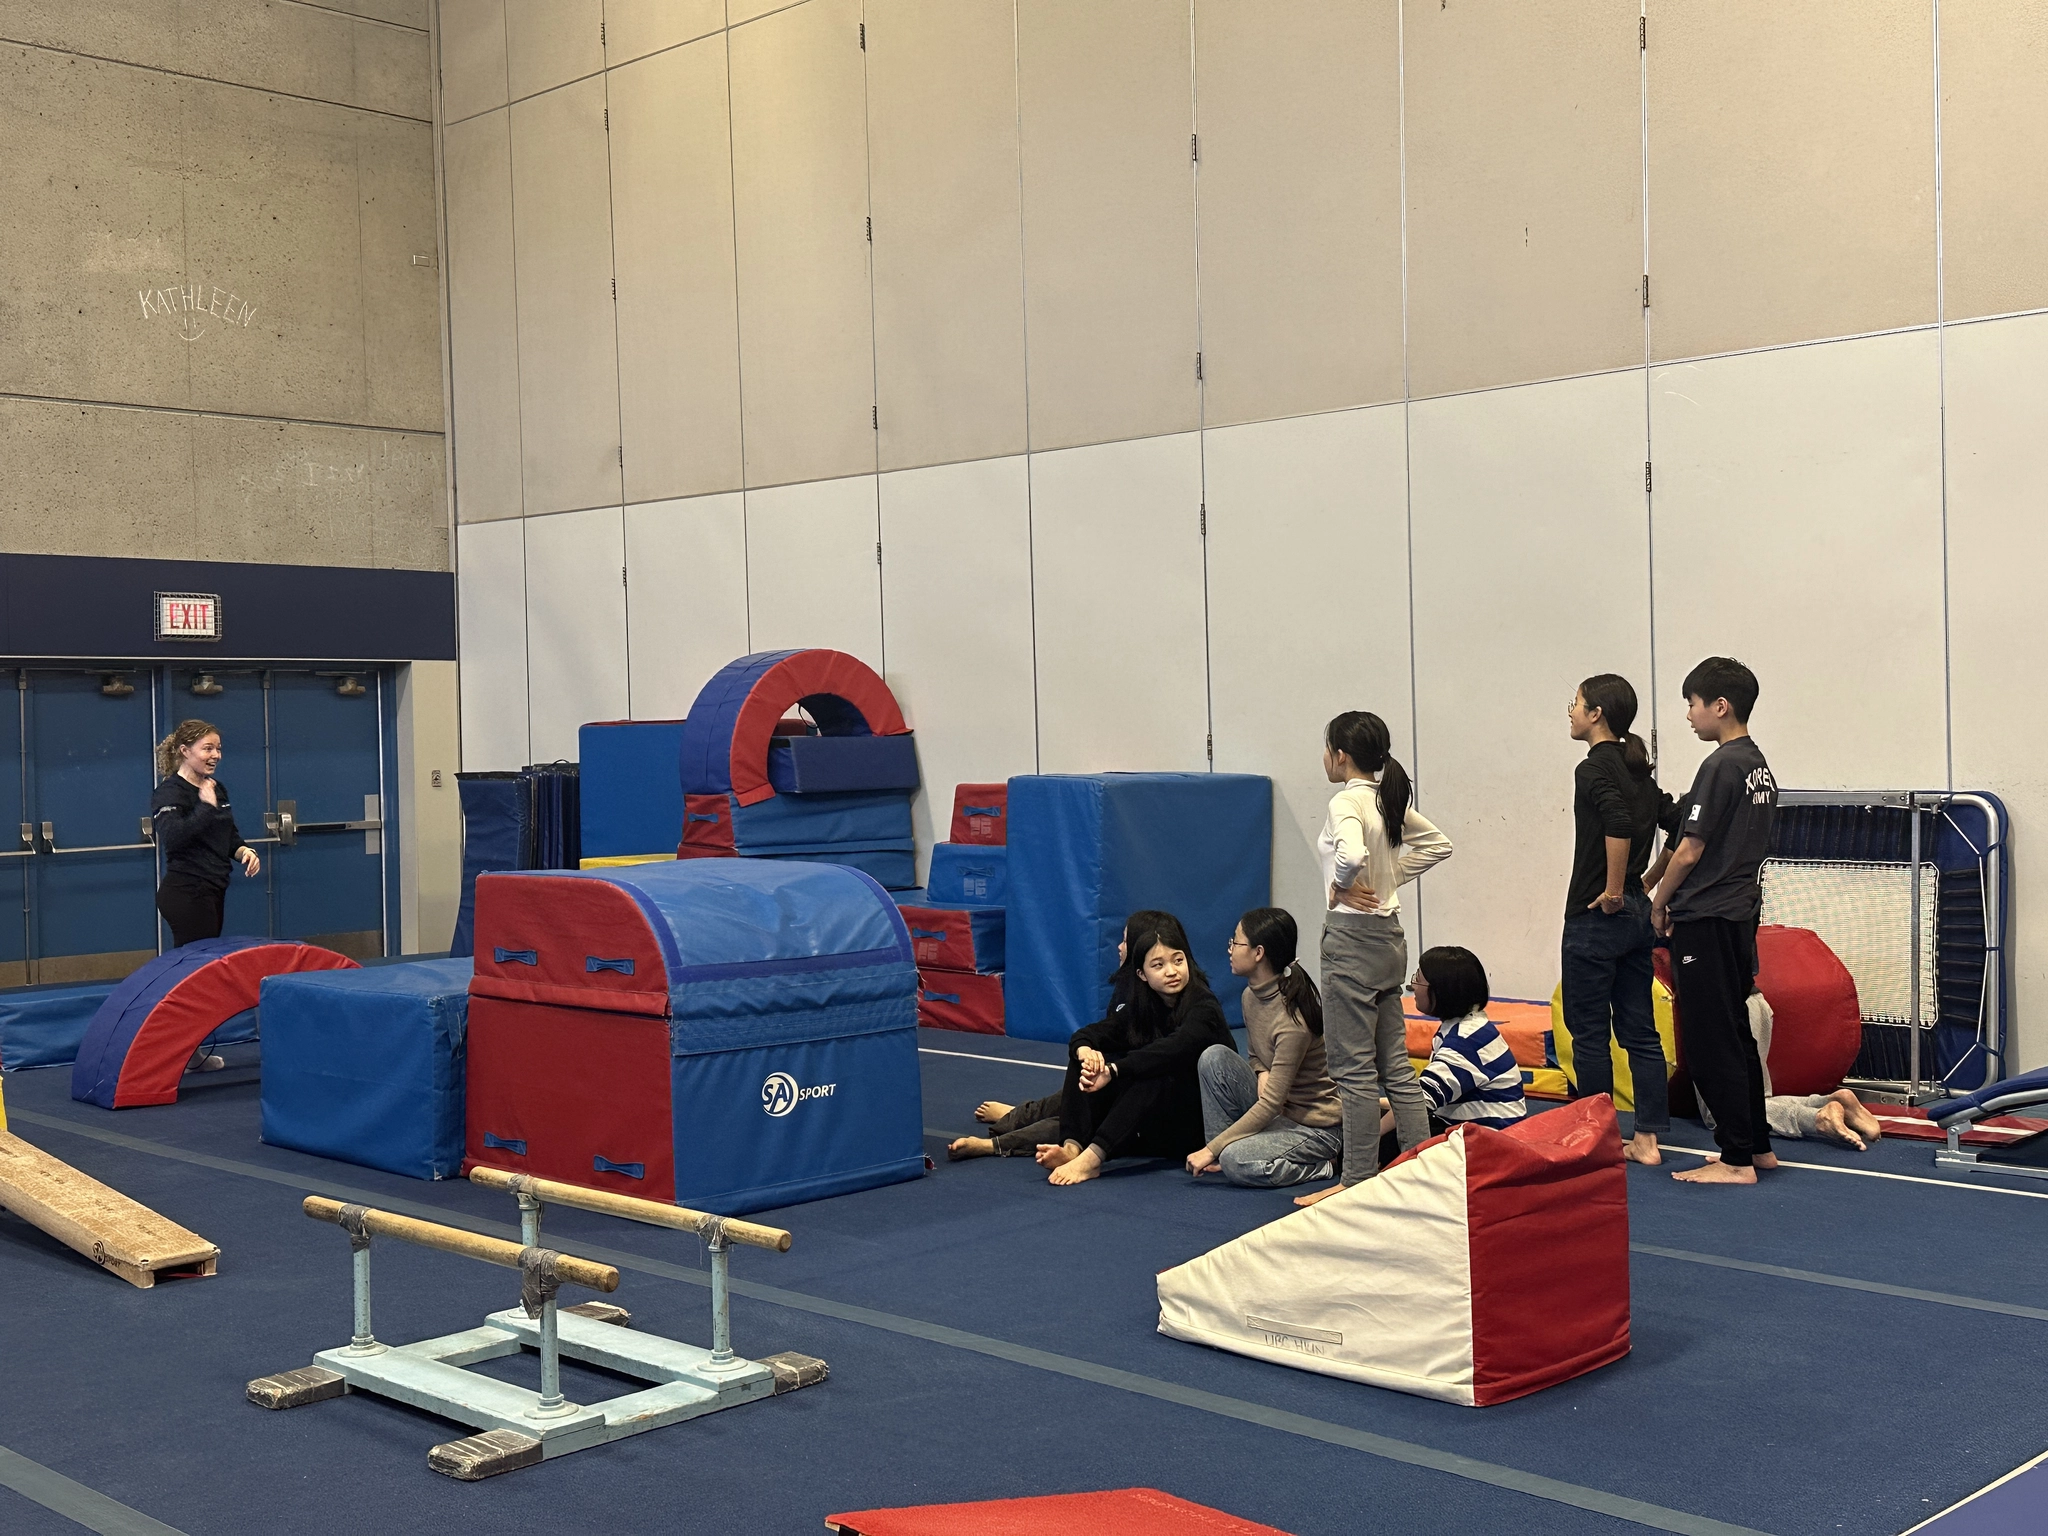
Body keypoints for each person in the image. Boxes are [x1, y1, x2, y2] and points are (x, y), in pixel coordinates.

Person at [1296, 712, 1453, 1208]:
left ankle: (1357, 1179)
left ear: (1341, 756)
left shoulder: (1345, 800)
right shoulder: (1386, 798)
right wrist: (1391, 879)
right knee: (1396, 1068)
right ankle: (1419, 1169)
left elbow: (1351, 856)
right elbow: (1438, 845)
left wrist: (1342, 885)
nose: (1325, 758)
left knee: (1354, 1071)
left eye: (1327, 749)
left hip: (1351, 940)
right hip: (1389, 938)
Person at [1648, 657, 1778, 1186]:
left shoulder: (1721, 765)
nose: (1688, 715)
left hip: (1707, 915)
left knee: (1708, 1040)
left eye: (1693, 704)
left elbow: (1689, 849)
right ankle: (1756, 1146)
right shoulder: (1758, 765)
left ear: (1720, 706)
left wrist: (1658, 901)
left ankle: (1736, 1158)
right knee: (1736, 1032)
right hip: (1739, 914)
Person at [947, 911, 1174, 1162]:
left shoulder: (1161, 1002)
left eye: (1125, 941)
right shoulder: (1127, 986)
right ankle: (1018, 1115)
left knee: (1071, 1121)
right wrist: (1089, 1055)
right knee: (1071, 1093)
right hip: (1112, 1081)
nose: (1119, 947)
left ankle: (993, 1145)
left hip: (1133, 1098)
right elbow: (1101, 1033)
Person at [1561, 674, 1676, 1165]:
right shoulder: (1639, 774)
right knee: (1639, 1031)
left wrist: (1612, 890)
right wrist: (1647, 883)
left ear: (1596, 715)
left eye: (1576, 703)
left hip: (1597, 916)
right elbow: (1684, 824)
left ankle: (1598, 1140)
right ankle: (1647, 1139)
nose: (1570, 711)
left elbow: (1619, 823)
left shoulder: (1593, 769)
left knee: (1589, 1033)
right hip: (1636, 916)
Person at [1035, 911, 1236, 1187]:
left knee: (1155, 1071)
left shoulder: (1203, 1005)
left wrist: (1114, 1071)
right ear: (1142, 974)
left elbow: (1173, 1049)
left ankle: (1092, 1158)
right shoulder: (1144, 1006)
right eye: (1159, 965)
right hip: (1157, 1122)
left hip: (1198, 1128)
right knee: (1090, 1059)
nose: (1172, 971)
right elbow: (1090, 1034)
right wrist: (1086, 1052)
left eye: (1178, 961)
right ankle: (1072, 1146)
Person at [1185, 908, 1342, 1188]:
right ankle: (1228, 1151)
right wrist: (1261, 1072)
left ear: (1258, 953)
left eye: (1236, 942)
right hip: (1281, 1113)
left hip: (1316, 1128)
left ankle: (1326, 1166)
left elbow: (1271, 1104)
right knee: (1213, 1057)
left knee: (1235, 1160)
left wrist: (1211, 1149)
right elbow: (1256, 1055)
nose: (1230, 949)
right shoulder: (1250, 996)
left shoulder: (1292, 1022)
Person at [151, 719, 260, 948]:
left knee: (206, 956)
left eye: (218, 748)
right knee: (198, 958)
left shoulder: (215, 788)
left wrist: (245, 851)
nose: (216, 755)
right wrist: (205, 808)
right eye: (207, 748)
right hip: (186, 892)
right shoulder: (169, 792)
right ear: (185, 751)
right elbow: (173, 837)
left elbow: (228, 836)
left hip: (214, 888)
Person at [1404, 945, 1527, 1134]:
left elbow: (1416, 1103)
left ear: (1442, 990)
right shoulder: (1465, 1026)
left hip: (1488, 1142)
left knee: (1379, 1134)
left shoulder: (1466, 1041)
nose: (1412, 987)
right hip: (1471, 1130)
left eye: (1418, 980)